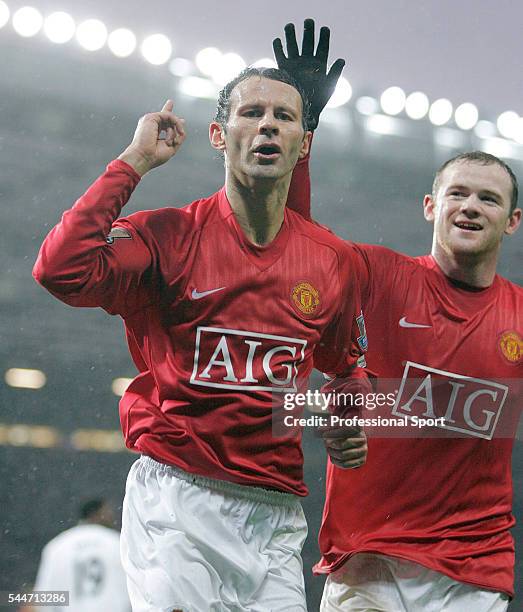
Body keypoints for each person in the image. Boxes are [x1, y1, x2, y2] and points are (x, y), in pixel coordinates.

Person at [33, 61, 370, 611]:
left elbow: (346, 363)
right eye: (251, 113)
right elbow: (60, 270)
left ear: (303, 144)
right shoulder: (166, 236)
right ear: (218, 134)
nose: (267, 126)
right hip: (177, 501)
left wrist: (348, 421)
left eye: (283, 117)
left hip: (276, 513)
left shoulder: (334, 261)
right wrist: (135, 161)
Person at [274, 20, 522, 611]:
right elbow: (294, 240)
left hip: (474, 567)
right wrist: (303, 128)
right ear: (430, 206)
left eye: (489, 198)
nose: (471, 206)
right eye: (458, 192)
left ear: (512, 222)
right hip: (369, 558)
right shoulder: (377, 274)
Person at [33, 498, 131, 611]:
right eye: (108, 512)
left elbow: (45, 598)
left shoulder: (58, 546)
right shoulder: (118, 543)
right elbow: (136, 589)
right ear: (97, 514)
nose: (112, 516)